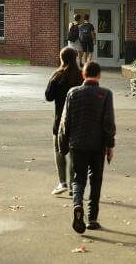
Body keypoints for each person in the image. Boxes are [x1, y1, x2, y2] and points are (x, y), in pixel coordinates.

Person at [59, 61, 115, 234]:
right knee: (96, 179)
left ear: (83, 75)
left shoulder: (73, 93)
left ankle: (77, 204)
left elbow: (65, 120)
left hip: (77, 143)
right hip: (97, 145)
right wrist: (109, 145)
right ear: (99, 76)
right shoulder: (105, 94)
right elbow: (108, 122)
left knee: (78, 179)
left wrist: (63, 144)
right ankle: (92, 218)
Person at [44, 47, 84, 196]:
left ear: (62, 58)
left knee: (59, 150)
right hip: (77, 120)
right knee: (74, 152)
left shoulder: (58, 76)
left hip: (60, 119)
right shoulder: (81, 76)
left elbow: (48, 96)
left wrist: (53, 78)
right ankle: (74, 185)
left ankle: (62, 183)